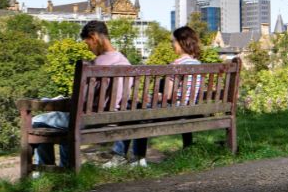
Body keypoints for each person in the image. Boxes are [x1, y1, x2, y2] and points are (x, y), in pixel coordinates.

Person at [33, 20, 130, 167]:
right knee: (63, 124)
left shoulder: (95, 65)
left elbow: (80, 101)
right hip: (115, 119)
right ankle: (65, 167)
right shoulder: (126, 63)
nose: (89, 49)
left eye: (88, 44)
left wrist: (55, 103)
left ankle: (46, 169)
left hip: (89, 120)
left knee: (37, 121)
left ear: (94, 37)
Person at [112, 26, 202, 167]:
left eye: (173, 41)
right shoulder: (198, 64)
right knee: (137, 110)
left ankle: (130, 157)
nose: (172, 45)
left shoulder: (176, 65)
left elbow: (169, 95)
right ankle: (129, 157)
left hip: (174, 110)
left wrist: (155, 97)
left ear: (181, 42)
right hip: (191, 110)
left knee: (134, 111)